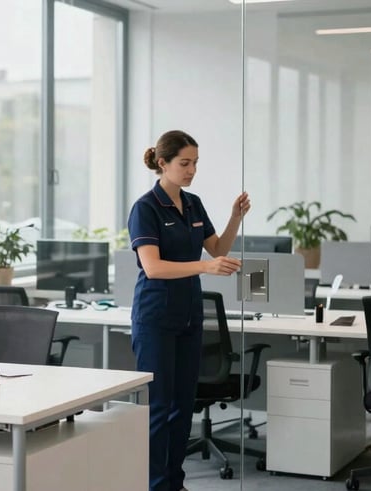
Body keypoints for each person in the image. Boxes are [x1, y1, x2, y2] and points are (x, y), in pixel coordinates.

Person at [127, 130, 250, 491]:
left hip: (189, 315)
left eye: (195, 163)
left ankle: (174, 482)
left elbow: (216, 248)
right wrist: (203, 268)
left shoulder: (194, 204)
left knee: (183, 408)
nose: (192, 169)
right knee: (160, 408)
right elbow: (153, 267)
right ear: (162, 164)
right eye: (184, 163)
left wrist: (235, 217)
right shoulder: (145, 208)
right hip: (155, 318)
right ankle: (155, 484)